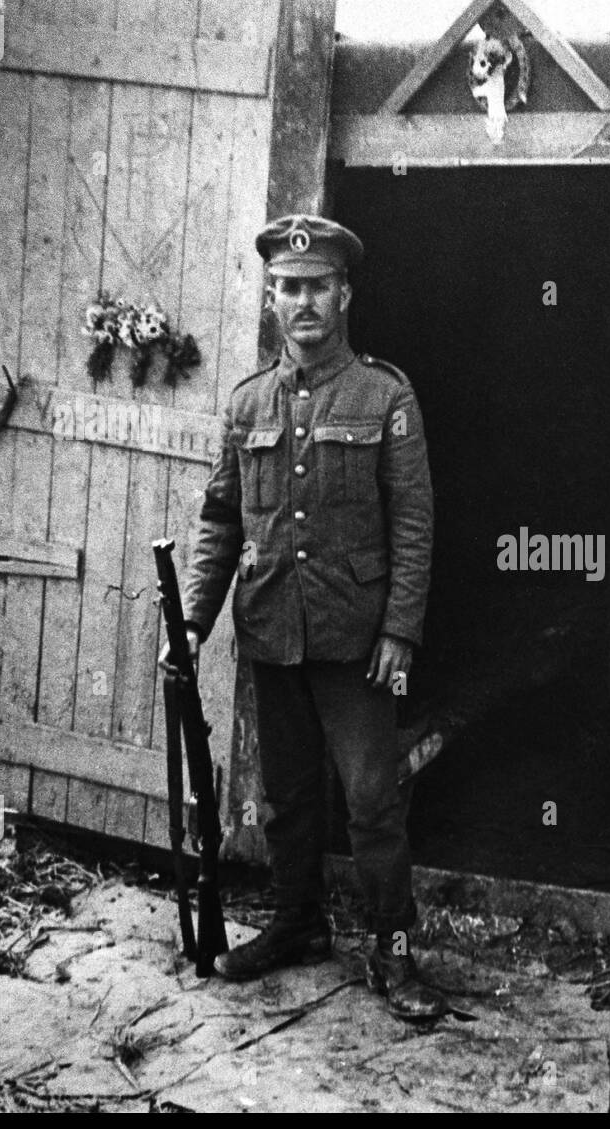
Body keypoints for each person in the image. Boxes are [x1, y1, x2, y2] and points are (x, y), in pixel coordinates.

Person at [160, 213, 447, 1019]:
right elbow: (221, 519)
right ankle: (297, 925)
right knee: (285, 796)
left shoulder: (385, 396)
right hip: (271, 628)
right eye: (288, 288)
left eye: (317, 286)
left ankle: (394, 952)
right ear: (272, 300)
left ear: (344, 292)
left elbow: (414, 523)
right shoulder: (248, 401)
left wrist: (399, 631)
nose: (303, 301)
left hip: (355, 639)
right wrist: (193, 622)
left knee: (371, 800)